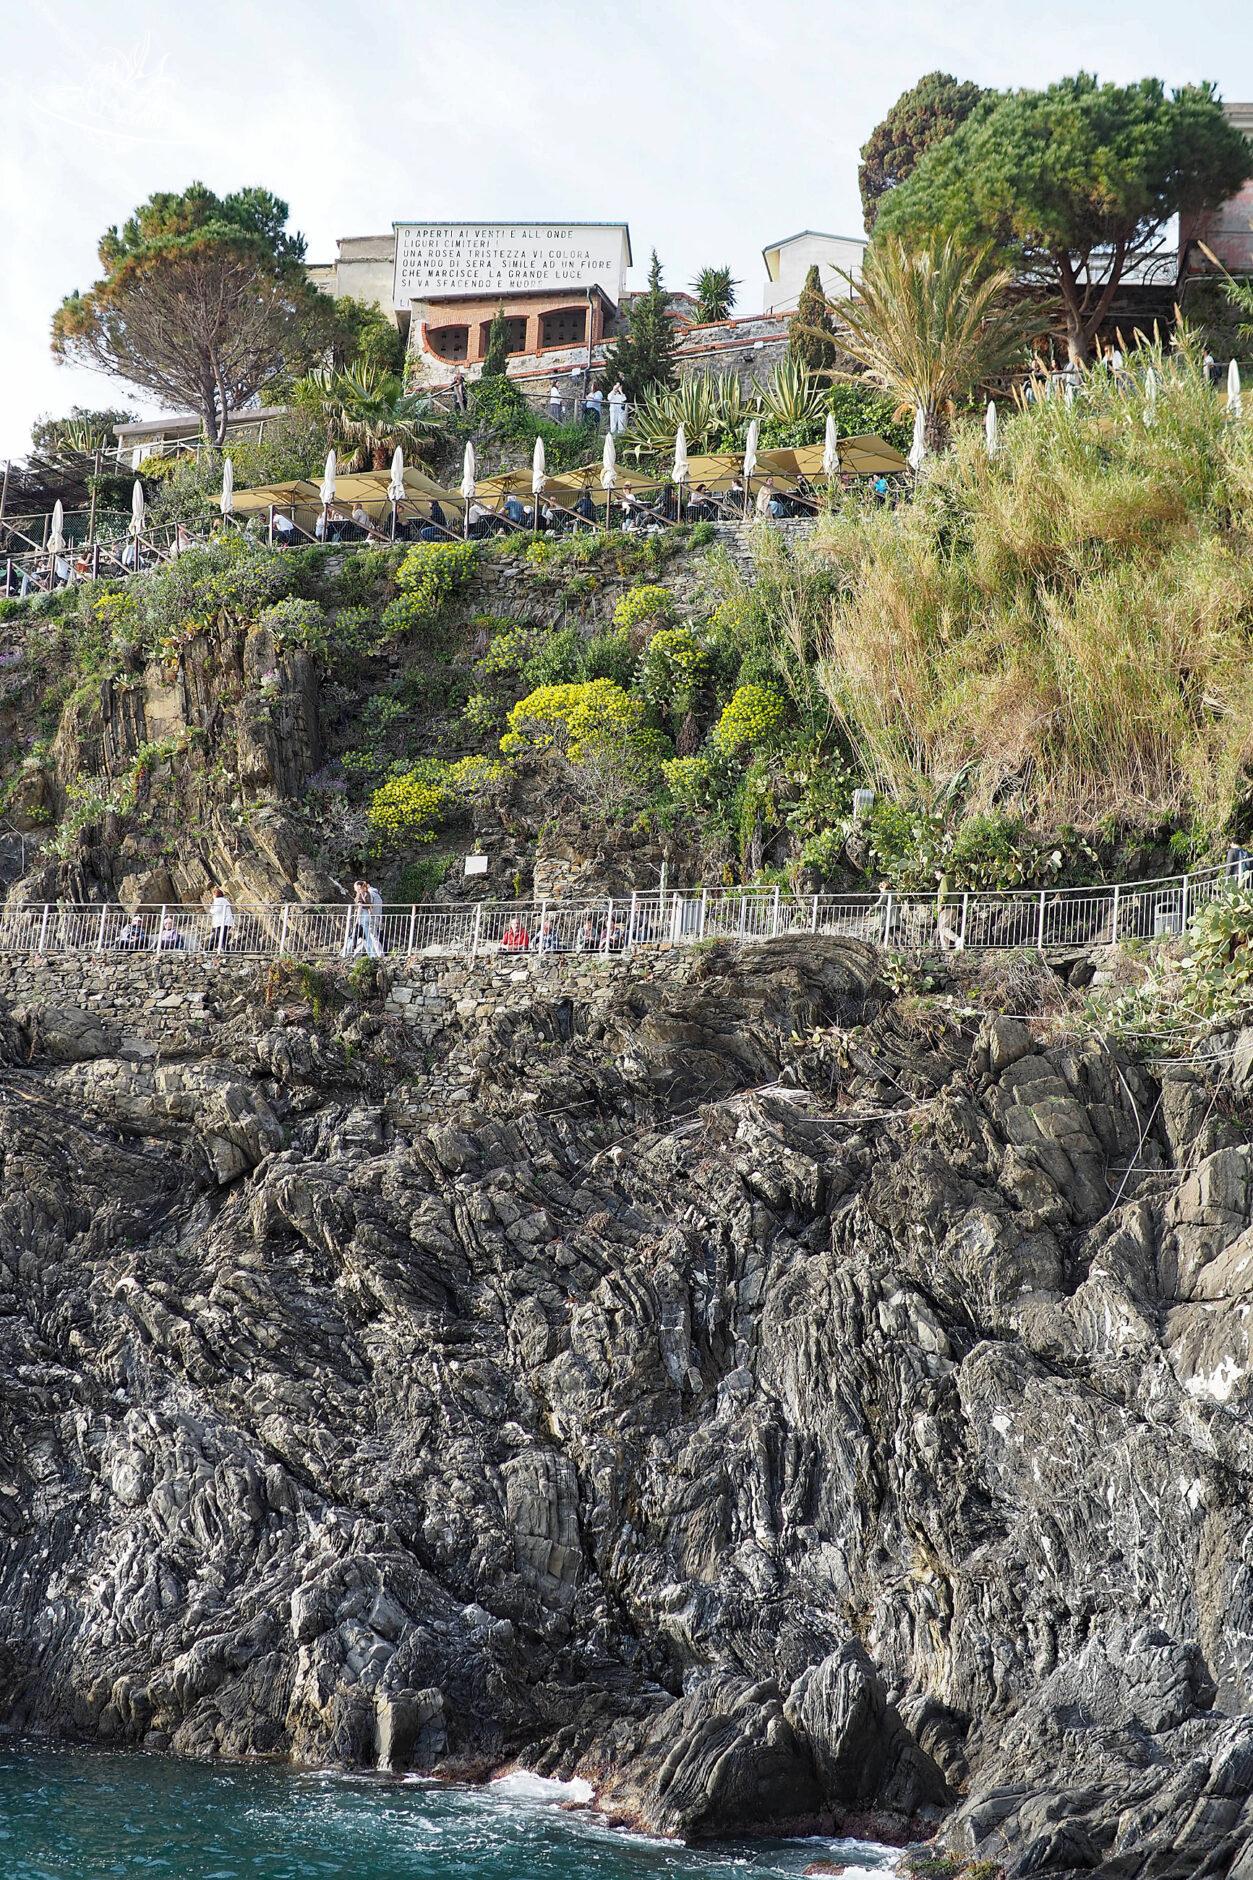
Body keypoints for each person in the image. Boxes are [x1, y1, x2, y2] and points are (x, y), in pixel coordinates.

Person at [345, 878, 385, 958]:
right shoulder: (376, 895)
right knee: (367, 937)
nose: (355, 890)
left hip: (364, 919)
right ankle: (374, 954)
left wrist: (357, 919)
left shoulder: (364, 894)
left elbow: (361, 907)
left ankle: (346, 953)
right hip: (374, 917)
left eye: (356, 888)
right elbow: (371, 907)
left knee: (357, 936)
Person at [208, 886, 234, 952]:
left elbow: (218, 910)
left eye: (213, 894)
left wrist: (211, 910)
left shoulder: (218, 900)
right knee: (218, 936)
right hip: (226, 921)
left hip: (221, 921)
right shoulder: (224, 900)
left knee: (221, 936)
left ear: (215, 894)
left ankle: (225, 950)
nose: (212, 896)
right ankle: (209, 949)